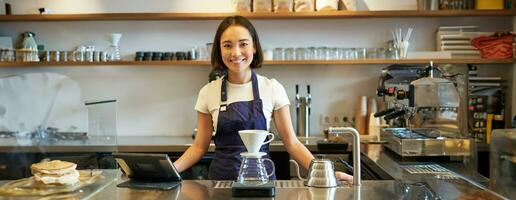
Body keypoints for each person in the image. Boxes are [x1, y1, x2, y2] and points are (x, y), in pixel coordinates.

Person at [173, 15, 353, 182]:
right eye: (227, 45)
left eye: (243, 44)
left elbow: (292, 143)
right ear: (219, 50)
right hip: (221, 184)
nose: (235, 53)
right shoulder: (208, 92)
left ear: (254, 47)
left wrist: (324, 173)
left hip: (262, 182)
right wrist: (171, 171)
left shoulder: (272, 88)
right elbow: (199, 147)